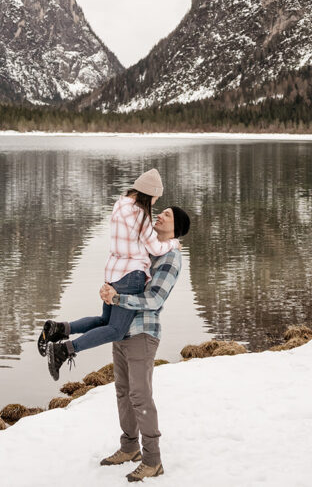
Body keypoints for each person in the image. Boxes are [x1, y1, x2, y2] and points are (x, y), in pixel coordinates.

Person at [40, 168, 180, 381]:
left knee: (104, 320)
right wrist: (174, 242)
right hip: (131, 275)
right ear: (148, 194)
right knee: (116, 330)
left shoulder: (120, 204)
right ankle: (64, 350)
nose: (154, 205)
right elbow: (155, 248)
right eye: (154, 200)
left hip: (113, 272)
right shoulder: (140, 215)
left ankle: (59, 328)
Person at [97, 205, 189, 482]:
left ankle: (152, 460)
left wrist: (118, 299)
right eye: (161, 211)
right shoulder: (144, 250)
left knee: (140, 396)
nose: (160, 214)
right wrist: (108, 290)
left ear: (177, 228)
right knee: (123, 392)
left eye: (168, 215)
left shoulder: (171, 257)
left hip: (143, 333)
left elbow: (154, 300)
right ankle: (129, 448)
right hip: (120, 329)